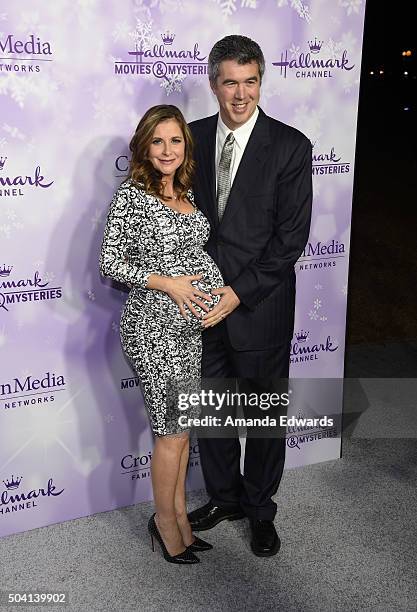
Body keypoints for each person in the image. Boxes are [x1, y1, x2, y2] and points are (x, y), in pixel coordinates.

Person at [187, 35, 313, 556]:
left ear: (261, 81)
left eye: (251, 81)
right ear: (214, 84)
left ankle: (261, 510)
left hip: (257, 306)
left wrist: (236, 294)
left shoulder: (290, 146)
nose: (241, 95)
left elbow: (290, 239)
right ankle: (225, 497)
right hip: (197, 305)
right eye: (230, 82)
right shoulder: (189, 139)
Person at [100, 105, 224, 564]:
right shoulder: (133, 196)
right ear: (144, 147)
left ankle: (181, 519)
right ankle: (166, 524)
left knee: (181, 430)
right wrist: (169, 283)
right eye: (158, 141)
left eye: (176, 141)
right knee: (171, 434)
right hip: (153, 329)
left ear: (185, 146)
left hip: (188, 332)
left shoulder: (186, 189)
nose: (168, 150)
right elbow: (111, 263)